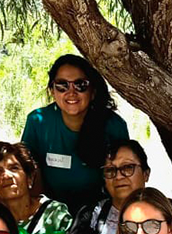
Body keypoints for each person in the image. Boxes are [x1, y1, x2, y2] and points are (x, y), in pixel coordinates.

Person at [22, 55, 130, 213]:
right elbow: (28, 175)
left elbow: (125, 178)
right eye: (62, 85)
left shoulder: (114, 126)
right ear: (52, 91)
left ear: (92, 91)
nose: (71, 92)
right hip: (50, 212)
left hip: (101, 211)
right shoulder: (37, 122)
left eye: (80, 85)